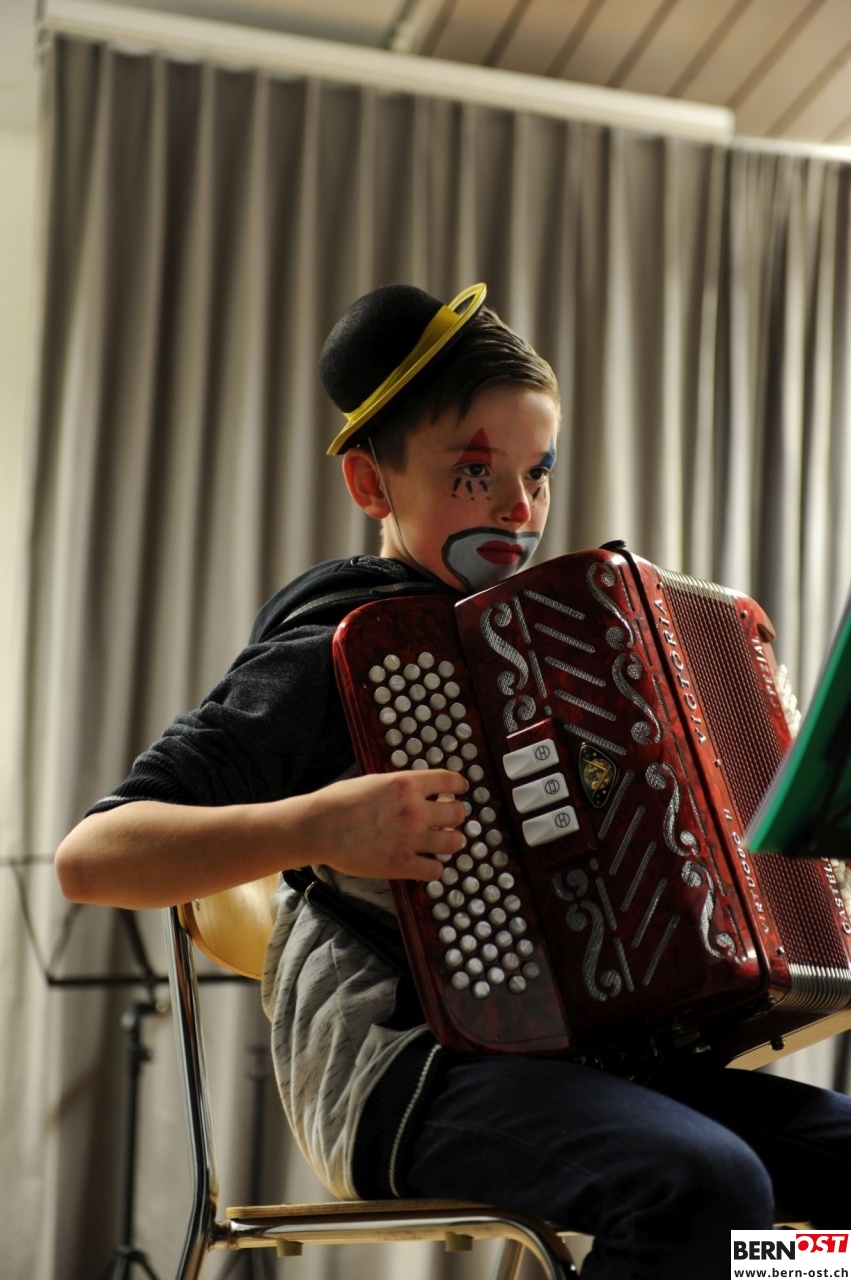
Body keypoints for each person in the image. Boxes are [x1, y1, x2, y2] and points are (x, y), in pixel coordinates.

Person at [57, 282, 851, 1278]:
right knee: (697, 1187)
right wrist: (315, 825)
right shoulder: (334, 649)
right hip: (400, 1066)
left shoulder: (562, 646)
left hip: (600, 1061)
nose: (518, 508)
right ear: (370, 482)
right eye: (475, 473)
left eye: (537, 473)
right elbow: (92, 856)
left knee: (771, 1223)